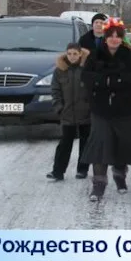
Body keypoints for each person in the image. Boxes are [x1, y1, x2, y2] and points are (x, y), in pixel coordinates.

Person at [80, 17, 131, 201]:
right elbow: (86, 76)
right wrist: (103, 81)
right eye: (111, 36)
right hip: (101, 109)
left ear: (122, 38)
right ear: (105, 38)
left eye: (118, 36)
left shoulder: (129, 55)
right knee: (100, 145)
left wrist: (116, 81)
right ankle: (98, 185)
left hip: (123, 109)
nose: (114, 39)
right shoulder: (95, 54)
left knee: (121, 145)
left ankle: (120, 176)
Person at [46, 43, 91, 181]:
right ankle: (58, 171)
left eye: (75, 54)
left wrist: (91, 106)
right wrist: (59, 106)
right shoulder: (60, 70)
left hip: (85, 113)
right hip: (67, 113)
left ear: (80, 54)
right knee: (65, 143)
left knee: (85, 142)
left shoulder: (86, 69)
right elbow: (55, 90)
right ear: (66, 54)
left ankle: (82, 169)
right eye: (69, 54)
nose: (72, 57)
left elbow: (93, 89)